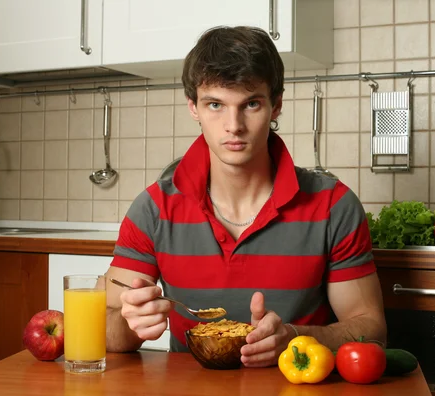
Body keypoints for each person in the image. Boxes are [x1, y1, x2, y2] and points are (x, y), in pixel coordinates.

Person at [105, 25, 386, 368]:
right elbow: (107, 329)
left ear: (276, 105)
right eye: (215, 105)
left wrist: (295, 336)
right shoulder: (153, 208)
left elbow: (372, 330)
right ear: (193, 107)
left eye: (250, 104)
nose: (233, 125)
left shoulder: (334, 206)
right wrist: (132, 324)